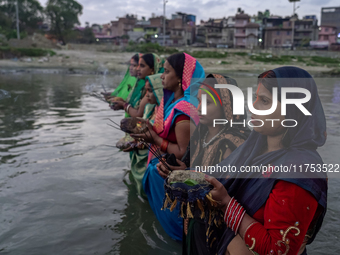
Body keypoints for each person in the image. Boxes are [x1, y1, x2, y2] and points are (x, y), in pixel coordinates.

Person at [203, 67, 327, 255]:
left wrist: (226, 203)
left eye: (265, 101)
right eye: (256, 98)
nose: (253, 106)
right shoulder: (254, 146)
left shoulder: (301, 169)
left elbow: (276, 249)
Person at [157, 73, 251, 255]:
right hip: (192, 220)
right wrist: (175, 171)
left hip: (217, 231)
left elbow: (224, 192)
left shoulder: (234, 143)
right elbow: (193, 171)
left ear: (227, 107)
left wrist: (183, 178)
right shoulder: (201, 134)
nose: (199, 109)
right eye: (199, 101)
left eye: (207, 103)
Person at [131, 52, 205, 241]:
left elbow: (182, 153)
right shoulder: (173, 104)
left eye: (167, 71)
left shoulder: (184, 111)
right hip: (165, 171)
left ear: (182, 78)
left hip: (174, 175)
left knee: (178, 234)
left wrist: (154, 138)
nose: (162, 76)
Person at [127, 73, 164, 197]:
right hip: (147, 151)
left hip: (157, 157)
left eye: (150, 90)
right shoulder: (151, 108)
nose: (146, 94)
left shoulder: (167, 112)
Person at [111, 53, 163, 118]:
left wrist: (123, 105)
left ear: (152, 69)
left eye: (142, 66)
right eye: (138, 65)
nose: (138, 69)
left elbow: (138, 114)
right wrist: (121, 103)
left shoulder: (155, 90)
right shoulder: (144, 88)